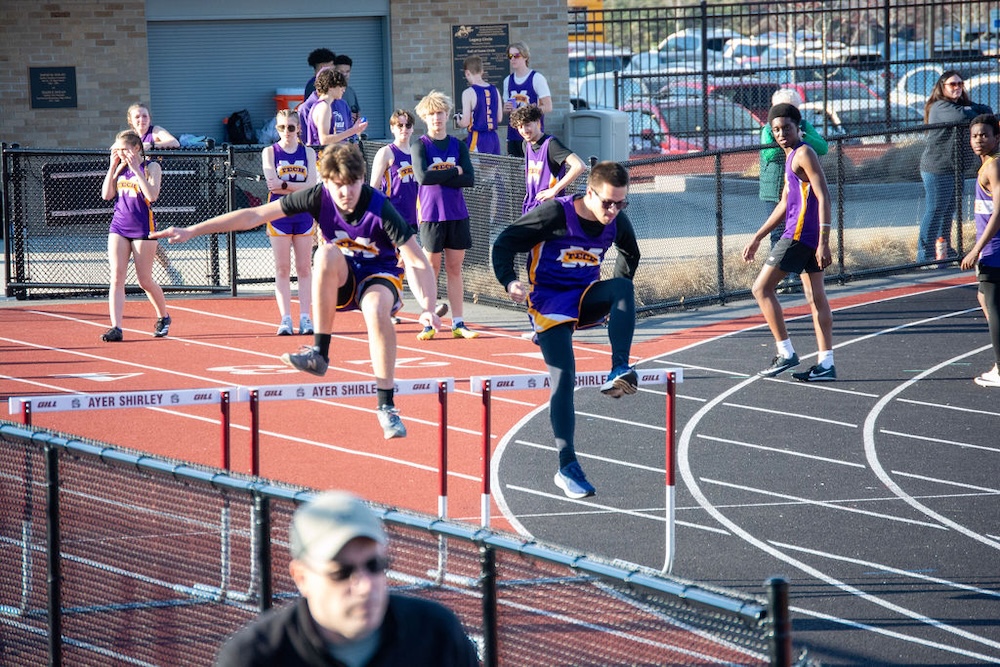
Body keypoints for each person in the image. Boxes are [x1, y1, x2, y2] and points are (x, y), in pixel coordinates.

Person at [152, 143, 441, 440]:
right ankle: (319, 353)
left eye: (352, 184)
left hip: (379, 275)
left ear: (362, 178)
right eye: (338, 186)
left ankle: (386, 406)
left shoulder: (379, 205)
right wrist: (191, 231)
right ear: (325, 182)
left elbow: (417, 259)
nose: (346, 193)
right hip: (342, 276)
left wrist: (427, 306)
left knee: (375, 309)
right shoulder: (318, 196)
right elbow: (253, 215)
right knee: (325, 254)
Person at [492, 161, 640, 499]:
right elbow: (503, 243)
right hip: (548, 302)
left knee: (623, 289)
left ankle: (620, 367)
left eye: (621, 203)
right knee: (564, 376)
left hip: (586, 297)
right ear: (589, 194)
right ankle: (567, 465)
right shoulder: (553, 215)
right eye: (607, 203)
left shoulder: (616, 220)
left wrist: (613, 305)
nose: (614, 210)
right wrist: (509, 280)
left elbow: (631, 253)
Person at [214, 490, 479, 666]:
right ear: (301, 577)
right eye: (341, 572)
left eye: (375, 565)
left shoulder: (437, 635)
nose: (364, 586)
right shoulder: (253, 659)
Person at [742, 103, 835, 382]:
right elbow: (785, 202)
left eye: (787, 128)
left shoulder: (804, 152)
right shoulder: (790, 156)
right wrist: (758, 237)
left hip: (799, 236)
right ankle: (826, 364)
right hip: (803, 236)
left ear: (799, 128)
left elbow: (824, 195)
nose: (781, 134)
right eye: (776, 130)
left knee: (761, 289)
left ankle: (786, 352)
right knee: (815, 298)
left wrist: (824, 241)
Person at [411, 90, 478, 340]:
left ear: (447, 114)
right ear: (425, 118)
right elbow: (423, 178)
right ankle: (428, 319)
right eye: (431, 114)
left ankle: (458, 322)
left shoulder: (458, 145)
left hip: (457, 213)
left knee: (454, 267)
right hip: (430, 215)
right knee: (431, 267)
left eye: (440, 113)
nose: (436, 118)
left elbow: (469, 179)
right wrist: (454, 171)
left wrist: (450, 173)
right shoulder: (420, 145)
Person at [100, 130, 171, 342]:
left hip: (143, 230)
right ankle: (116, 327)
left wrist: (135, 169)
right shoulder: (119, 167)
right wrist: (113, 167)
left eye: (124, 149)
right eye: (117, 149)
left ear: (136, 148)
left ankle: (163, 316)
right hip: (119, 227)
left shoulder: (151, 167)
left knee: (144, 280)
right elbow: (106, 195)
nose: (120, 153)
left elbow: (152, 195)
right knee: (116, 277)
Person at [918, 71, 993, 264]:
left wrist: (971, 110)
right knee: (935, 209)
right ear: (942, 87)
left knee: (948, 210)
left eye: (960, 84)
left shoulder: (961, 105)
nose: (957, 87)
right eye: (952, 84)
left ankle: (944, 250)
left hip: (955, 168)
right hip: (937, 168)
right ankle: (924, 256)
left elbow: (986, 110)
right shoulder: (939, 106)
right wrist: (972, 111)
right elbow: (963, 117)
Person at [262, 109, 319, 336]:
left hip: (304, 213)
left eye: (291, 127)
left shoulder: (308, 153)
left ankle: (305, 317)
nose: (286, 131)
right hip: (278, 214)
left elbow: (313, 184)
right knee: (282, 268)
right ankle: (285, 318)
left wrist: (284, 185)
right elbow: (271, 184)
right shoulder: (270, 152)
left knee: (305, 268)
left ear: (299, 129)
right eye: (281, 127)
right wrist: (295, 185)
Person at [759, 89, 828, 247]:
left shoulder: (803, 127)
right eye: (781, 108)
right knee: (778, 233)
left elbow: (823, 147)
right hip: (775, 188)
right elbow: (768, 154)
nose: (785, 113)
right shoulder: (769, 129)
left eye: (791, 109)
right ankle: (779, 268)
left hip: (800, 189)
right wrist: (790, 144)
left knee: (799, 230)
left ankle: (795, 270)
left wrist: (801, 137)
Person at [961, 114, 1000, 388]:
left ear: (996, 138)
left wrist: (977, 248)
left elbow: (999, 211)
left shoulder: (993, 168)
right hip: (992, 249)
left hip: (994, 250)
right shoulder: (987, 165)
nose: (979, 140)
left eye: (985, 135)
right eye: (975, 135)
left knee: (993, 305)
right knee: (984, 299)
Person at [126, 102, 182, 283]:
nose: (141, 120)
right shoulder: (129, 137)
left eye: (145, 116)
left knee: (149, 234)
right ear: (130, 121)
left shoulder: (154, 131)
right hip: (131, 190)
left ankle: (168, 269)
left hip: (150, 187)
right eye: (137, 117)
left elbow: (174, 142)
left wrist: (151, 146)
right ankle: (125, 274)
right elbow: (114, 150)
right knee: (133, 235)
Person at [509, 104, 586, 214]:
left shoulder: (551, 144)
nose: (524, 130)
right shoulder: (526, 144)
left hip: (550, 208)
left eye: (527, 125)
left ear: (537, 122)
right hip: (531, 206)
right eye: (520, 127)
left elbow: (579, 165)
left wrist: (554, 190)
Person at [370, 109, 418, 233]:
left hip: (415, 216)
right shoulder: (386, 152)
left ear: (412, 128)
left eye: (408, 125)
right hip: (393, 216)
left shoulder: (417, 153)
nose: (404, 129)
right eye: (400, 125)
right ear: (392, 128)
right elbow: (373, 188)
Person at [502, 42, 552, 157]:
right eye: (510, 56)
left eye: (516, 55)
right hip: (513, 135)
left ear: (525, 56)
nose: (513, 59)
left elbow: (548, 106)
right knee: (514, 172)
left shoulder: (537, 78)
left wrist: (527, 112)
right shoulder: (507, 80)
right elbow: (506, 109)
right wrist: (506, 108)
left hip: (532, 134)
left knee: (534, 170)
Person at [308, 68, 367, 147]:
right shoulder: (324, 107)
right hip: (322, 157)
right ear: (330, 87)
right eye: (341, 86)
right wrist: (353, 131)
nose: (343, 90)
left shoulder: (321, 106)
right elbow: (324, 140)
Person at [456, 55, 501, 155]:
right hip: (493, 137)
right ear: (482, 71)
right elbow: (499, 118)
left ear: (467, 73)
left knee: (476, 170)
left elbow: (465, 122)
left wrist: (459, 120)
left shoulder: (468, 92)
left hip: (477, 137)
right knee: (493, 170)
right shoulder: (495, 90)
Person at [334, 54, 362, 124]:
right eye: (341, 72)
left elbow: (357, 112)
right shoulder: (329, 92)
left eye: (347, 71)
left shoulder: (351, 91)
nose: (345, 74)